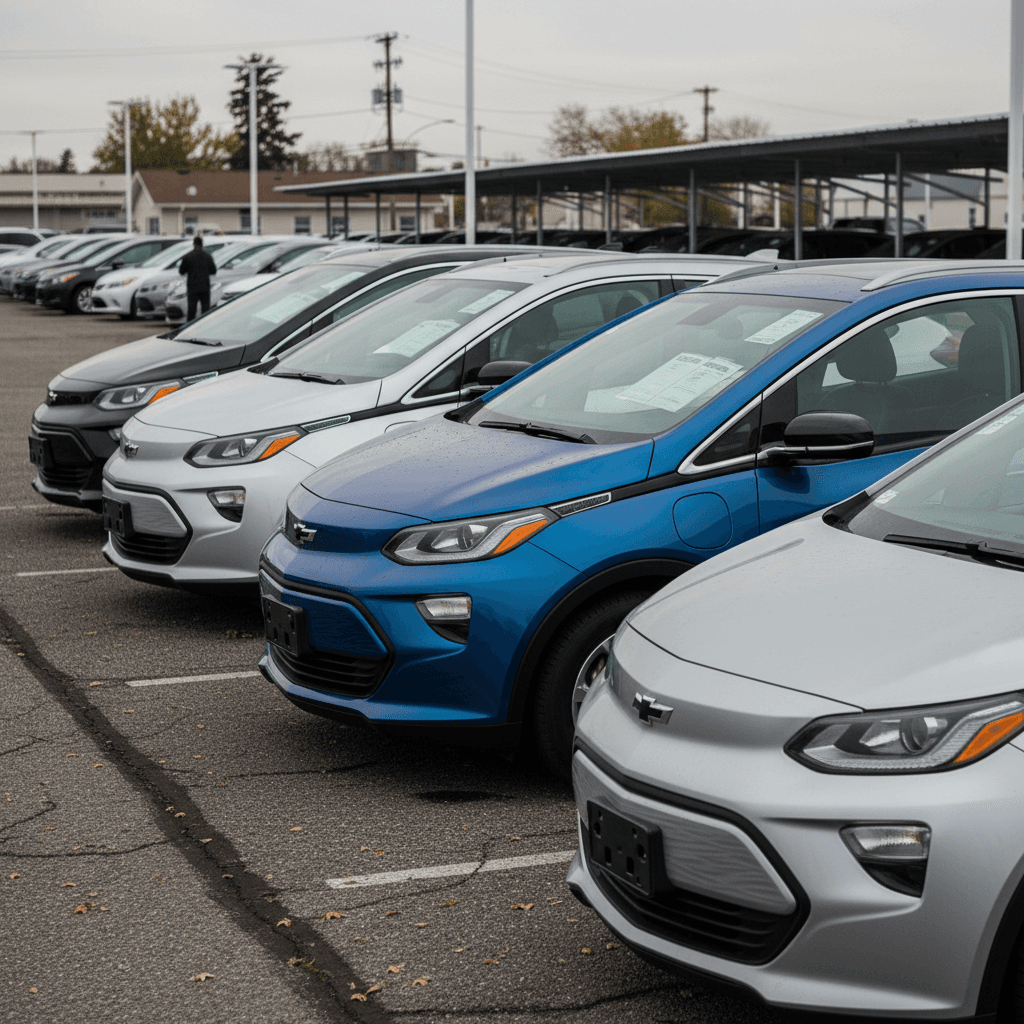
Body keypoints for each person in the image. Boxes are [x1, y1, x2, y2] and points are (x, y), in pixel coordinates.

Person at [178, 235, 217, 321]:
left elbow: (181, 271)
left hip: (192, 287)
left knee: (192, 310)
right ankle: (205, 325)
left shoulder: (188, 256)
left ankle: (190, 326)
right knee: (205, 309)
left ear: (194, 244)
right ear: (202, 244)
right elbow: (213, 271)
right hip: (205, 286)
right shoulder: (207, 256)